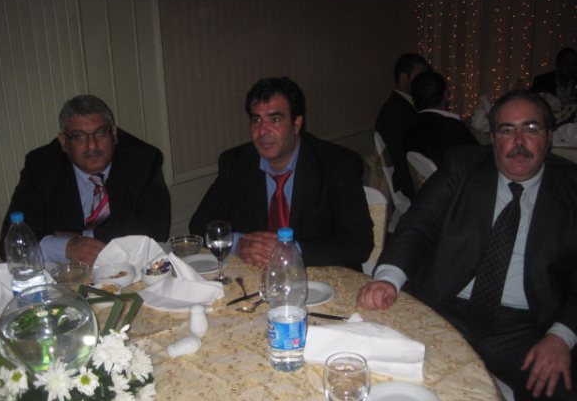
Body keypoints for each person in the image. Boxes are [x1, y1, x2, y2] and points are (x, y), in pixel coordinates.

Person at [357, 89, 577, 401]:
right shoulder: (463, 166)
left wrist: (562, 336)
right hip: (448, 310)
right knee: (387, 380)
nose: (519, 141)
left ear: (549, 136)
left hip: (527, 329)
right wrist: (388, 278)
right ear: (493, 138)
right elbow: (418, 225)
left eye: (531, 128)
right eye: (507, 130)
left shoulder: (571, 187)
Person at [189, 77, 373, 271]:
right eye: (256, 119)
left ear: (297, 123)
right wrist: (238, 243)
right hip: (255, 276)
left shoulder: (337, 164)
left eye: (275, 119)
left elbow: (358, 242)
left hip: (317, 277)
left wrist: (290, 251)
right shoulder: (237, 163)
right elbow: (200, 223)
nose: (263, 131)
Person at [0, 94, 171, 266]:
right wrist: (67, 248)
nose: (92, 145)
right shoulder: (41, 167)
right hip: (66, 272)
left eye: (100, 133)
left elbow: (156, 231)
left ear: (114, 134)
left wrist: (80, 238)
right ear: (64, 142)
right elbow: (12, 244)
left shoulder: (143, 160)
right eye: (79, 136)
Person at [375, 53, 431, 198]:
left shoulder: (411, 105)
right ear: (403, 78)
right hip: (411, 183)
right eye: (420, 76)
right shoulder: (393, 112)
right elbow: (400, 161)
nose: (425, 82)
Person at [403, 71, 477, 169]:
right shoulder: (453, 128)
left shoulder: (408, 128)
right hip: (451, 177)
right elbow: (478, 162)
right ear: (446, 95)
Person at [531, 47, 577, 125]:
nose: (570, 67)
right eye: (567, 63)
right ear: (557, 64)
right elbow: (534, 107)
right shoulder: (542, 81)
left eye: (574, 64)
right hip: (549, 125)